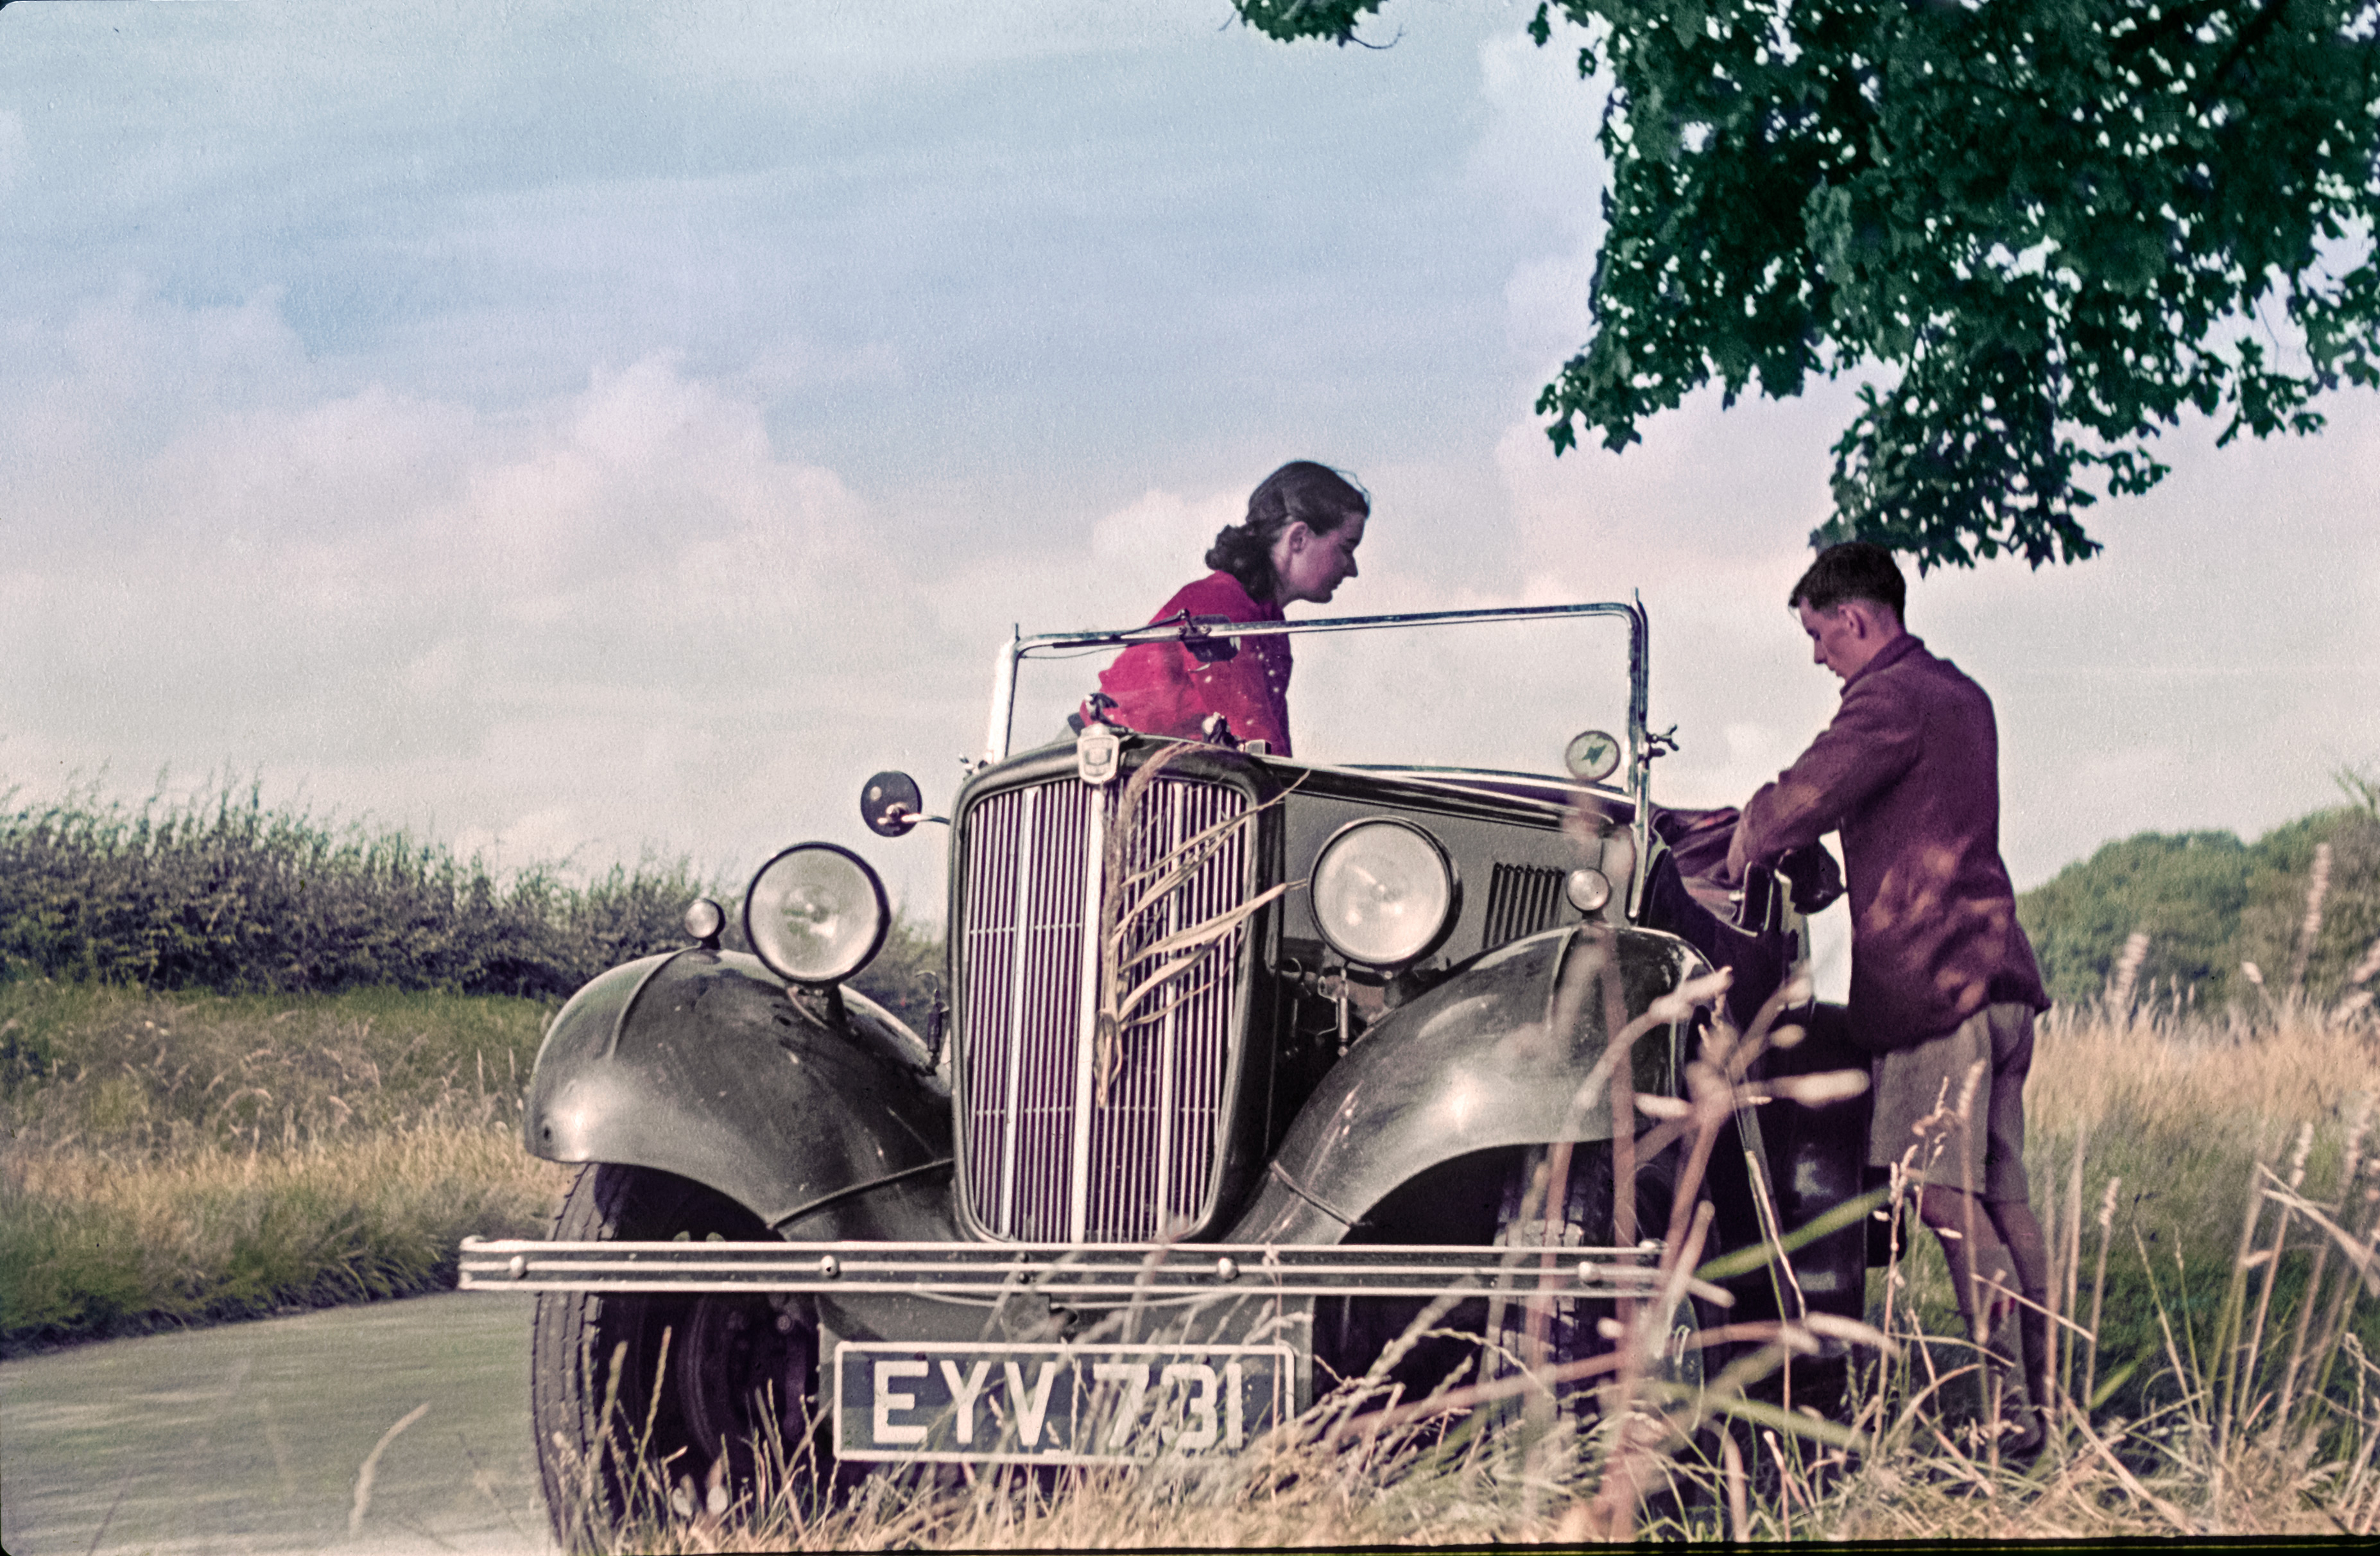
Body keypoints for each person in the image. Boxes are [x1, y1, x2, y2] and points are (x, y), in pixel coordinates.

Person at [1726, 541, 2055, 1451]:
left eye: (1820, 634)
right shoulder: (1960, 696)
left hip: (1934, 990)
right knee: (2003, 1198)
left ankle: (2010, 1416)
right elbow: (1911, 816)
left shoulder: (1888, 697)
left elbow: (1801, 799)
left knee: (1943, 1200)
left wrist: (1749, 830)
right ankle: (2049, 1396)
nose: (1818, 656)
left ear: (1859, 619)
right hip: (2000, 981)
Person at [1084, 460, 1367, 757]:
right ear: (1298, 539)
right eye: (1347, 548)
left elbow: (1271, 751)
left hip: (1152, 771)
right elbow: (1257, 745)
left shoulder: (1268, 621)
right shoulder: (1223, 610)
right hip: (1091, 767)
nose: (1353, 569)